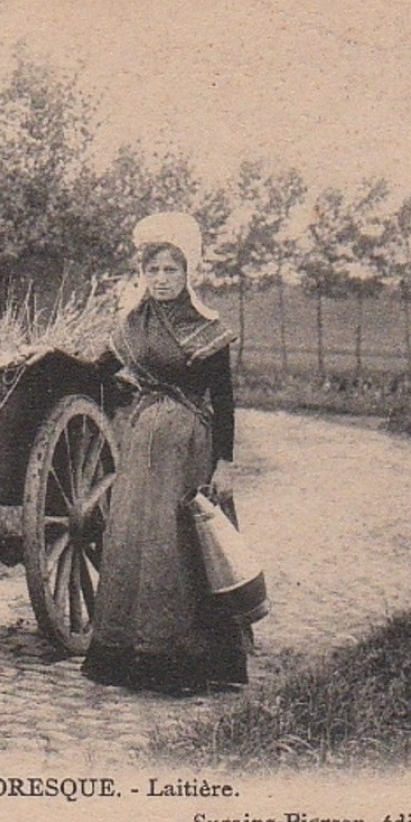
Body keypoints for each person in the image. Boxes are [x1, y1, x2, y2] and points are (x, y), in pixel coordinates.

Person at [82, 211, 249, 692]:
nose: (161, 280)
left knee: (178, 547)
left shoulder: (207, 328)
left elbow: (224, 399)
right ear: (143, 275)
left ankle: (184, 663)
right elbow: (98, 369)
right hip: (141, 450)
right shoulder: (132, 324)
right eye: (153, 271)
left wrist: (225, 462)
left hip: (187, 449)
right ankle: (126, 656)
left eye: (170, 270)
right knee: (133, 541)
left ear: (188, 273)